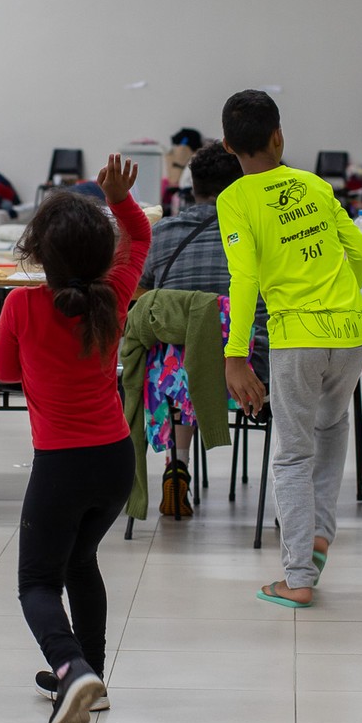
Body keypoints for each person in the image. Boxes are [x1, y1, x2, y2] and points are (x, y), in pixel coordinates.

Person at [0, 155, 149, 723]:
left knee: (36, 582)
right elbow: (140, 234)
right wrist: (119, 199)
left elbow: (4, 372)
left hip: (60, 465)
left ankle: (71, 665)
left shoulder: (21, 306)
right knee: (81, 561)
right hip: (116, 461)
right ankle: (92, 679)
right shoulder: (115, 295)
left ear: (38, 255)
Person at [217, 90, 362, 609]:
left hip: (297, 338)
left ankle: (298, 575)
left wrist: (234, 354)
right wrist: (339, 296)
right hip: (352, 332)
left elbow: (243, 279)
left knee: (291, 455)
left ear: (226, 146)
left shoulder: (234, 200)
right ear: (279, 135)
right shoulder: (314, 184)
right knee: (332, 428)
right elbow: (361, 249)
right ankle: (319, 535)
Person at [136, 140, 265, 516]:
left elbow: (143, 296)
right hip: (248, 377)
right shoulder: (255, 235)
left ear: (193, 188)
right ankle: (283, 482)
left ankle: (177, 464)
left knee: (184, 347)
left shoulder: (161, 234)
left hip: (176, 378)